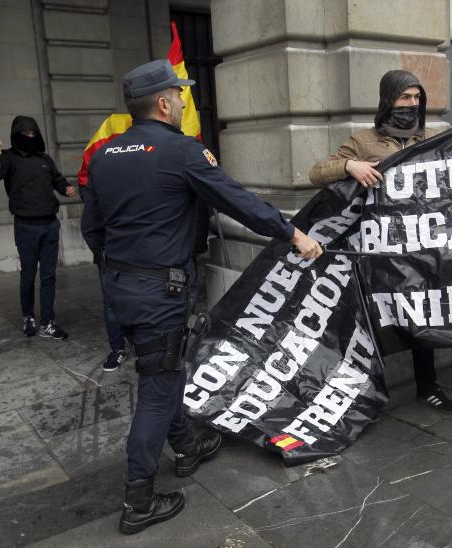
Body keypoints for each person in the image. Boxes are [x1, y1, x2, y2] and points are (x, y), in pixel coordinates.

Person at [81, 59, 323, 535]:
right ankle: (138, 499)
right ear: (163, 103)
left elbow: (92, 227)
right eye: (179, 95)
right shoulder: (181, 150)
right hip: (160, 291)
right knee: (157, 389)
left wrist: (122, 270)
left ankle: (188, 445)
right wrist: (293, 234)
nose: (182, 102)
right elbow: (239, 201)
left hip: (122, 286)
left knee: (165, 369)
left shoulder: (105, 154)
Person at [310, 70, 452, 414]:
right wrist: (351, 165)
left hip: (420, 250)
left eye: (416, 98)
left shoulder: (429, 138)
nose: (412, 104)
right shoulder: (363, 140)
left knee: (421, 316)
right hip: (378, 252)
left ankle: (428, 386)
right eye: (404, 97)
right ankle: (365, 395)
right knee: (375, 323)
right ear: (388, 99)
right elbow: (317, 172)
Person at [0, 116, 75, 340]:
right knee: (28, 275)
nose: (30, 136)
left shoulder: (44, 159)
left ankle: (48, 322)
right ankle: (28, 317)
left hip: (50, 224)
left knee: (49, 276)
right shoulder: (8, 158)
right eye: (25, 133)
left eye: (33, 133)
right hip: (26, 226)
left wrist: (66, 188)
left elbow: (57, 179)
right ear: (17, 135)